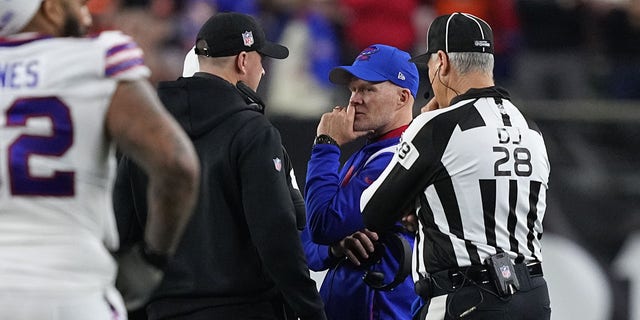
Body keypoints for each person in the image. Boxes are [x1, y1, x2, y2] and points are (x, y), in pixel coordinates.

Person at [113, 12, 327, 320]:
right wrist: (311, 311)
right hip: (243, 309)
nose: (264, 71)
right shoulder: (253, 131)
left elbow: (122, 226)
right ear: (243, 60)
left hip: (163, 309)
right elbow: (275, 234)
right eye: (260, 60)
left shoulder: (149, 128)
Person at [0, 1, 200, 319]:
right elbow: (176, 163)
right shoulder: (96, 59)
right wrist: (152, 258)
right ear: (49, 8)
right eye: (76, 2)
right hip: (72, 289)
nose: (86, 11)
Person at [360, 12, 551, 319]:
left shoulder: (438, 126)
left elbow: (373, 210)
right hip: (533, 296)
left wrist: (419, 125)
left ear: (442, 62)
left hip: (468, 297)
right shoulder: (531, 129)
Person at [303, 44, 419, 319]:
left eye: (368, 89)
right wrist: (335, 246)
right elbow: (309, 245)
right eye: (353, 89)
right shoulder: (368, 154)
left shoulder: (398, 158)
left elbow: (321, 224)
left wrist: (326, 144)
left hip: (382, 311)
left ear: (403, 97)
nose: (355, 99)